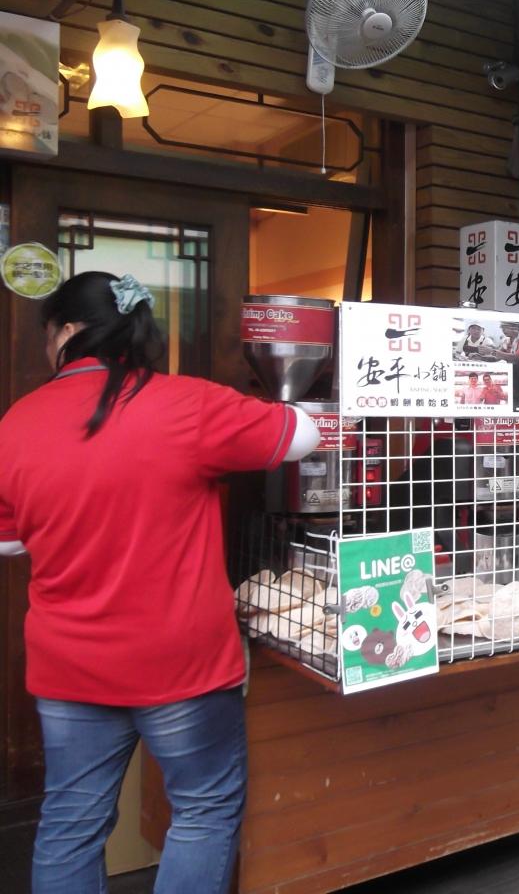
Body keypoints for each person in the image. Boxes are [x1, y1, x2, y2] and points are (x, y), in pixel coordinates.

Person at [0, 272, 320, 894]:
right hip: (181, 664)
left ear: (67, 332)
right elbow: (301, 436)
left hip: (69, 664)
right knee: (203, 811)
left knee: (71, 823)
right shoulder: (185, 403)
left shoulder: (18, 420)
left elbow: (8, 540)